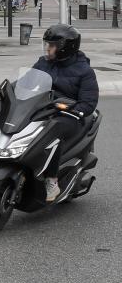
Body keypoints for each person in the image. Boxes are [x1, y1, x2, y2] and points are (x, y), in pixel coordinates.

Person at [31, 24, 99, 202]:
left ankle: (51, 181)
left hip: (68, 116)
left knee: (52, 133)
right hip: (43, 109)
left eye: (52, 45)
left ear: (64, 48)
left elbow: (88, 103)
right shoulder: (43, 62)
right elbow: (28, 82)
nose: (48, 48)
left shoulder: (84, 71)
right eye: (47, 44)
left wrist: (71, 109)